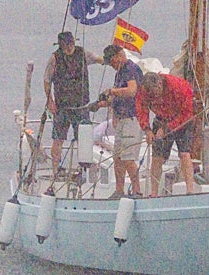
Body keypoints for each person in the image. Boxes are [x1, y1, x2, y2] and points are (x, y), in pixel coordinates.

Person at [44, 31, 102, 174]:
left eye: (71, 44)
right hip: (62, 107)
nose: (69, 47)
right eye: (65, 45)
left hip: (81, 106)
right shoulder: (55, 58)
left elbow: (99, 59)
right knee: (58, 139)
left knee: (83, 141)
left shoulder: (83, 54)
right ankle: (55, 169)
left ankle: (84, 170)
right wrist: (50, 101)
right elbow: (47, 80)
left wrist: (110, 60)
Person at [135, 72, 198, 196]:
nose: (154, 98)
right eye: (151, 96)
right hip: (161, 119)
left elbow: (187, 112)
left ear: (159, 84)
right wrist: (147, 129)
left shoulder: (179, 86)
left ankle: (190, 190)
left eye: (155, 94)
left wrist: (167, 128)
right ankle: (154, 193)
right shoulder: (144, 90)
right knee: (157, 156)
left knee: (184, 153)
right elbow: (141, 108)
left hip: (182, 120)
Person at [95, 44, 144, 198]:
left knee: (128, 158)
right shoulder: (120, 73)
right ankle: (119, 190)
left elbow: (131, 90)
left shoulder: (131, 69)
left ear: (118, 56)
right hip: (121, 119)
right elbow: (118, 97)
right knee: (118, 157)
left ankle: (137, 191)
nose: (112, 66)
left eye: (112, 63)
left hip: (131, 118)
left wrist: (112, 91)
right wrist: (102, 103)